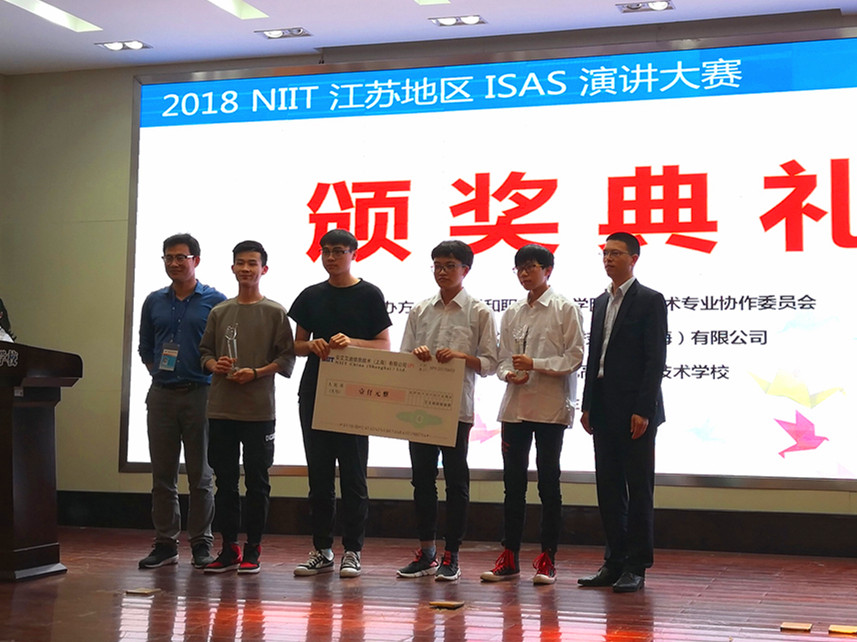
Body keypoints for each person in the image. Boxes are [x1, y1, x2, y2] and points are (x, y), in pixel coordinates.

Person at [289, 229, 392, 579]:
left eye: (338, 251)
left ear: (353, 253)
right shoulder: (311, 295)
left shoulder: (369, 294)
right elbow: (295, 346)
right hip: (315, 391)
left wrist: (353, 343)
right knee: (318, 476)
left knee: (353, 475)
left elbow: (384, 345)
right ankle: (321, 550)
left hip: (356, 395)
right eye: (326, 251)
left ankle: (353, 550)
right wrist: (312, 345)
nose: (331, 257)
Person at [480, 244, 584, 585]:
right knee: (513, 486)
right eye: (520, 268)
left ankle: (547, 559)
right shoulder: (512, 312)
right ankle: (509, 556)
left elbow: (575, 357)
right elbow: (502, 360)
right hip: (515, 408)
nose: (525, 273)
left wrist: (535, 364)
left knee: (549, 484)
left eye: (531, 267)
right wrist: (509, 373)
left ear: (548, 270)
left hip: (551, 408)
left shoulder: (565, 308)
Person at [396, 240, 499, 582]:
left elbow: (490, 363)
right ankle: (426, 552)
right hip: (419, 406)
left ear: (465, 270)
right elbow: (404, 356)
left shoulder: (479, 311)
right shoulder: (420, 310)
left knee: (456, 482)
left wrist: (460, 357)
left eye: (449, 266)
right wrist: (417, 354)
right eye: (437, 265)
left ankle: (452, 554)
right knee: (422, 480)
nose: (442, 272)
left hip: (457, 409)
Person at [578, 231, 667, 593]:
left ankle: (637, 565)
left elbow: (655, 359)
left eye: (616, 253)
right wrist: (587, 405)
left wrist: (643, 409)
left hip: (635, 410)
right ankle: (613, 561)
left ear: (633, 259)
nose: (608, 259)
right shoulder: (601, 301)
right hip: (603, 406)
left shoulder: (650, 300)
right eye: (605, 253)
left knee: (638, 488)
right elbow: (594, 358)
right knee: (609, 488)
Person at [198, 240, 295, 574]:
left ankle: (254, 548)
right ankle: (229, 548)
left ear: (263, 269)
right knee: (225, 482)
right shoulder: (219, 311)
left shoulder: (275, 312)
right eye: (240, 263)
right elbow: (204, 353)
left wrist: (256, 372)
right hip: (221, 409)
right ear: (232, 268)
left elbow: (286, 358)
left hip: (259, 411)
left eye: (252, 263)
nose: (246, 269)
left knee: (257, 482)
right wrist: (215, 365)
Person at [137, 233, 226, 570]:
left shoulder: (215, 301)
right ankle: (165, 543)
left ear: (196, 260)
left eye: (181, 257)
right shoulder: (154, 301)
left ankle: (201, 543)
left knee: (201, 476)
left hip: (201, 393)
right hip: (161, 394)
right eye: (168, 258)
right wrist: (160, 373)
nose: (174, 263)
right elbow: (146, 347)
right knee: (163, 476)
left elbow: (222, 348)